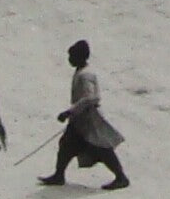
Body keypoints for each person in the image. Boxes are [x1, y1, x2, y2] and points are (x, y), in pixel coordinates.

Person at [39, 41, 129, 190]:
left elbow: (91, 98)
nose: (69, 59)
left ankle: (121, 177)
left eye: (72, 56)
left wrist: (70, 111)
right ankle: (59, 174)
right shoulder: (81, 72)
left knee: (102, 148)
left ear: (79, 57)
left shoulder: (85, 75)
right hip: (81, 120)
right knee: (66, 144)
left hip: (88, 120)